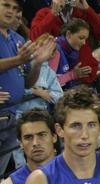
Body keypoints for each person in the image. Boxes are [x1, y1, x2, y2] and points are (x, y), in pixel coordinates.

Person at [0, 0, 56, 174]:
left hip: (12, 113)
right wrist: (17, 60)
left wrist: (38, 63)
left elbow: (27, 82)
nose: (11, 11)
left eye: (15, 8)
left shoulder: (17, 39)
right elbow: (18, 62)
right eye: (6, 5)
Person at [30, 0, 100, 85]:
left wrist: (88, 9)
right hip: (58, 78)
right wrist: (53, 13)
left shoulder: (82, 12)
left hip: (84, 78)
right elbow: (35, 39)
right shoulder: (45, 13)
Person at [53, 18, 92, 89]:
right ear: (69, 34)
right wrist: (72, 74)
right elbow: (49, 84)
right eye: (81, 38)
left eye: (85, 39)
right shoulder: (54, 50)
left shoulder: (73, 52)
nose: (84, 43)